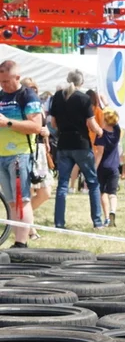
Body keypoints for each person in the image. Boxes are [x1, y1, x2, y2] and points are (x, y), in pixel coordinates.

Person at [49, 69, 105, 230]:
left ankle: (59, 223)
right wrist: (100, 131)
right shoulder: (84, 99)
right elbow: (91, 125)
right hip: (81, 144)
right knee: (93, 183)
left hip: (63, 144)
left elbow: (53, 124)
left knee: (62, 185)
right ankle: (97, 221)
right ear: (82, 83)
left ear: (68, 80)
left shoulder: (57, 97)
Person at [0, 61, 43, 248]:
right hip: (1, 155)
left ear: (17, 77)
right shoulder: (1, 96)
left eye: (7, 81)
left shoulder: (27, 96)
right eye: (1, 81)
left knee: (22, 199)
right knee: (10, 201)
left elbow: (36, 126)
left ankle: (21, 242)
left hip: (20, 154)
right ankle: (17, 240)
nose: (3, 85)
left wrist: (8, 122)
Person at [21, 78, 51, 229]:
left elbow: (43, 127)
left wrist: (46, 135)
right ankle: (29, 227)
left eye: (36, 89)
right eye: (30, 89)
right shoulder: (23, 105)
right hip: (29, 149)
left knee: (45, 192)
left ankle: (23, 219)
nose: (34, 92)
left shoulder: (39, 106)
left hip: (40, 150)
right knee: (30, 190)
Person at [94, 108, 122, 228]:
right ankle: (113, 211)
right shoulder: (117, 131)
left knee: (103, 192)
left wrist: (94, 168)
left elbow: (99, 153)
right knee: (113, 193)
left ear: (104, 120)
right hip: (115, 166)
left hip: (103, 167)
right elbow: (115, 121)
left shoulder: (101, 135)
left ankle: (106, 218)